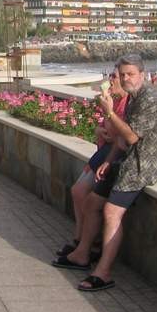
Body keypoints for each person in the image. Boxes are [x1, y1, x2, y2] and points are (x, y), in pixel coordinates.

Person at [56, 54, 157, 292]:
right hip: (124, 160)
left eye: (131, 74)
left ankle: (104, 272)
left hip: (142, 165)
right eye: (122, 74)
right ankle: (82, 254)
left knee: (111, 211)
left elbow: (131, 136)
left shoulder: (150, 99)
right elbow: (120, 141)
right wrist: (108, 162)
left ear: (142, 75)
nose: (126, 78)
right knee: (92, 202)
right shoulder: (133, 98)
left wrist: (109, 111)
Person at [52, 70, 129, 263]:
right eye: (111, 75)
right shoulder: (114, 100)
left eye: (115, 77)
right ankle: (80, 239)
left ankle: (86, 243)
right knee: (78, 192)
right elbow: (104, 130)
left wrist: (107, 109)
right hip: (103, 153)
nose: (111, 80)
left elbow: (119, 135)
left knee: (81, 193)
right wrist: (99, 129)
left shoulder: (125, 103)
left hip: (113, 156)